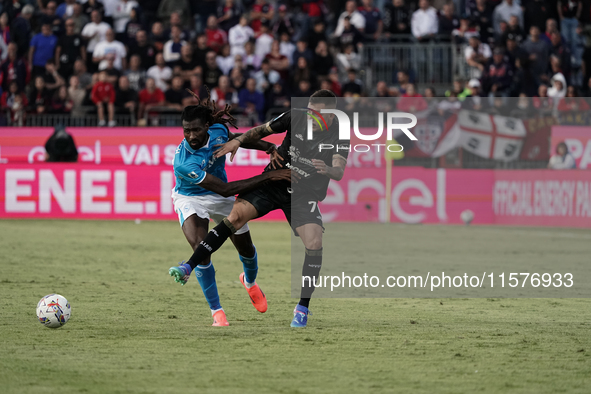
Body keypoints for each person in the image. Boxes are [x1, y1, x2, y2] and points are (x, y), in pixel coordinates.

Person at [169, 90, 349, 328]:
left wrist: (325, 168)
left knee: (312, 243)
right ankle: (201, 286)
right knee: (234, 219)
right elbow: (259, 133)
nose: (313, 118)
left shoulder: (340, 132)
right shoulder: (184, 163)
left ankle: (298, 306)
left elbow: (339, 170)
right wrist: (266, 168)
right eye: (311, 112)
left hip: (303, 192)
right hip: (217, 192)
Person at [167, 89, 291, 326]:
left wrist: (266, 146)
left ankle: (250, 282)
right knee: (201, 249)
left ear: (206, 125)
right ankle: (217, 312)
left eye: (195, 129)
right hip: (191, 198)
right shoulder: (185, 163)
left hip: (219, 197)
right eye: (186, 130)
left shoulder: (218, 130)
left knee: (246, 249)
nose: (191, 135)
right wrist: (269, 177)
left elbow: (240, 138)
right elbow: (226, 189)